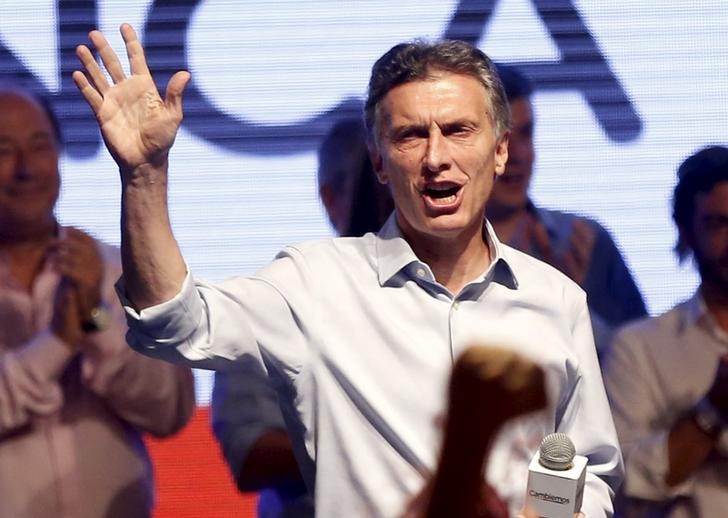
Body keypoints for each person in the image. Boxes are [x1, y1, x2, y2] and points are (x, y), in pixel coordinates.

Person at [72, 24, 622, 517]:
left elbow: (583, 465)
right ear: (379, 161)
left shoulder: (556, 300)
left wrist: (541, 516)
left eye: (457, 131)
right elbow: (173, 323)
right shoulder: (315, 283)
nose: (435, 158)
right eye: (410, 135)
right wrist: (144, 177)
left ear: (500, 151)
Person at [0, 86, 196, 518]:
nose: (25, 169)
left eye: (39, 146)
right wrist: (55, 344)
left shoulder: (117, 267)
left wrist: (94, 319)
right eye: (4, 150)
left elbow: (170, 411)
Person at [211, 117, 392, 517]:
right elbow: (250, 454)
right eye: (379, 188)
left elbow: (552, 445)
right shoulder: (276, 305)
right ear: (333, 199)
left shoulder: (490, 292)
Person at [486, 64, 647, 356]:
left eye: (526, 133)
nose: (518, 155)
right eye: (502, 140)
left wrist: (569, 304)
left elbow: (641, 361)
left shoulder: (585, 240)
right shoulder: (437, 249)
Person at [603, 145, 728, 517]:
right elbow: (622, 483)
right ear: (686, 232)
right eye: (718, 224)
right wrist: (711, 413)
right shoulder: (639, 348)